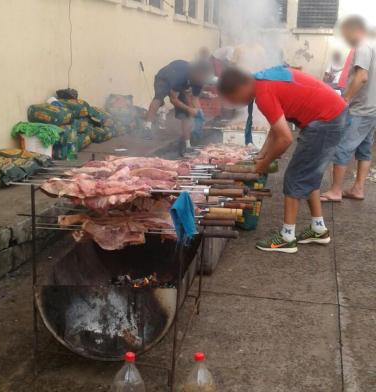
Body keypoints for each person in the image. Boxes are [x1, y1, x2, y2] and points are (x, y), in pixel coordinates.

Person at [218, 67, 347, 253]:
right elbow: (276, 127)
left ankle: (287, 237)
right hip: (332, 113)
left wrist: (263, 164)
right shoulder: (263, 81)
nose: (235, 104)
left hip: (325, 119)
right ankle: (318, 229)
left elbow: (285, 138)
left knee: (294, 177)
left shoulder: (263, 93)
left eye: (233, 99)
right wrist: (262, 153)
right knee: (309, 173)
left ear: (239, 88)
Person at [322, 16, 376, 202]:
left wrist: (346, 99)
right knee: (364, 149)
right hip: (372, 108)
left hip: (360, 108)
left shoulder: (363, 45)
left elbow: (362, 76)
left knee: (342, 147)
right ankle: (358, 188)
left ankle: (336, 190)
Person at [144, 60, 211, 154]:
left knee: (186, 114)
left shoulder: (199, 80)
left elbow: (195, 99)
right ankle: (147, 127)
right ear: (196, 71)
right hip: (163, 79)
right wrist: (190, 109)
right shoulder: (180, 74)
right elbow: (173, 99)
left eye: (204, 77)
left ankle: (187, 144)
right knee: (159, 99)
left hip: (180, 86)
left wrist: (199, 114)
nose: (202, 79)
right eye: (201, 76)